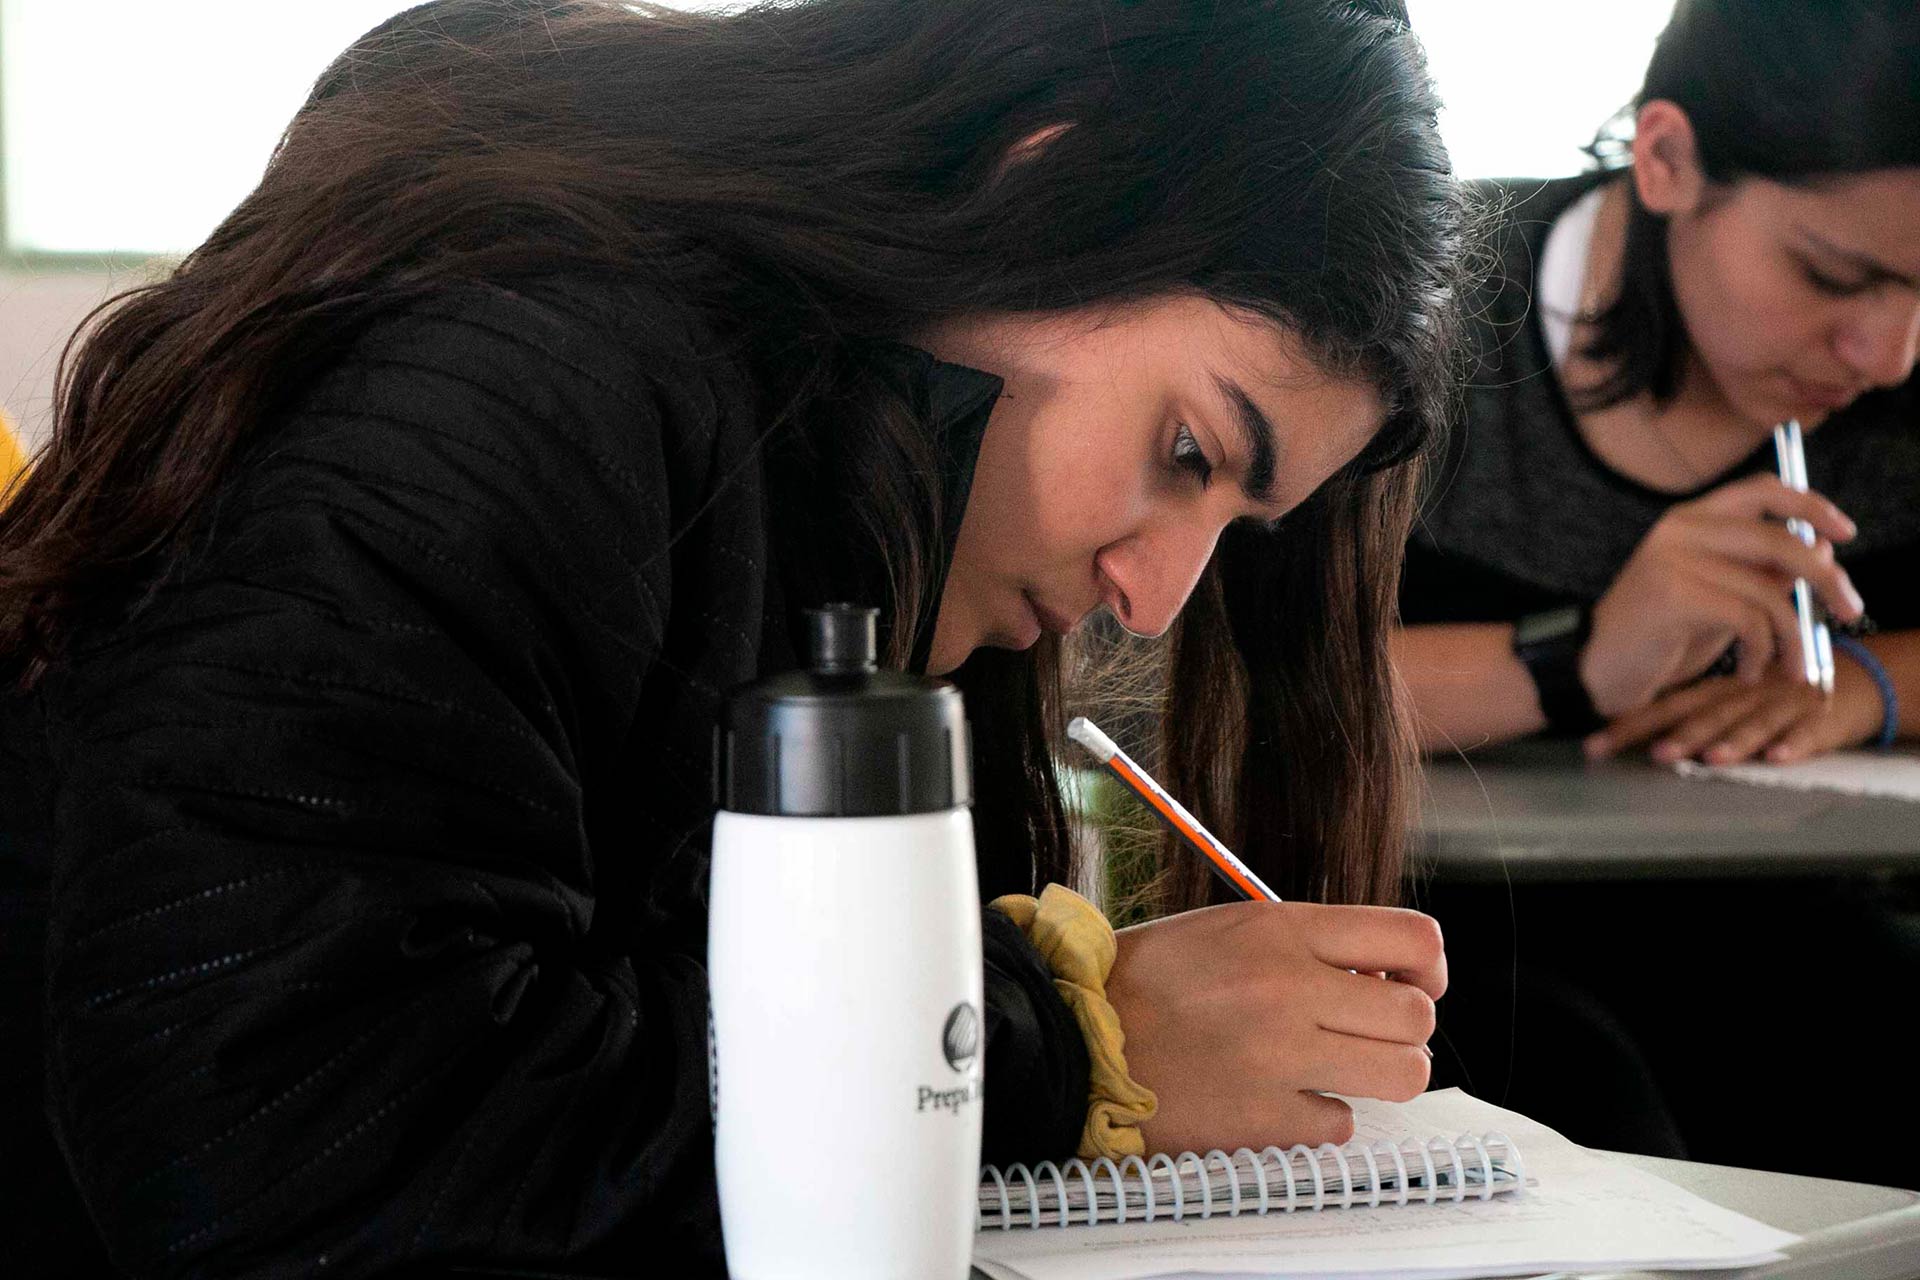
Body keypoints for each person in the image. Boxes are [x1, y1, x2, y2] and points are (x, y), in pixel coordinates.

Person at [0, 0, 1470, 1273]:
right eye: (1192, 453)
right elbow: (291, 1140)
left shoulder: (800, 461)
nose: (1157, 594)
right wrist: (1067, 1052)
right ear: (1051, 175)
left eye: (1233, 525)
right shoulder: (541, 375)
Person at [1396, 0, 1919, 1186]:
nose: (1888, 354)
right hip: (1458, 940)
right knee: (1595, 1106)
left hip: (1789, 921)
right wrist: (1580, 655)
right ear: (1668, 156)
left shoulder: (1895, 370)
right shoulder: (1435, 317)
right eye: (1833, 275)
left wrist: (1868, 690)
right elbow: (1232, 693)